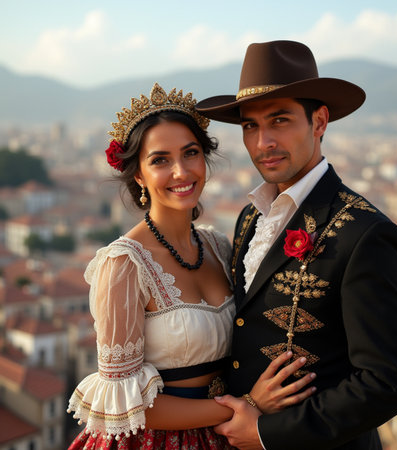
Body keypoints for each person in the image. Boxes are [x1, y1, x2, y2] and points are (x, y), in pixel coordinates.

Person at [66, 82, 317, 449]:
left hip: (228, 435)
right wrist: (246, 406)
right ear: (139, 174)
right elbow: (128, 407)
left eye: (190, 153)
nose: (181, 172)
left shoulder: (217, 246)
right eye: (160, 160)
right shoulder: (123, 265)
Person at [196, 40, 397, 449]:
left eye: (279, 120)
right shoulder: (251, 218)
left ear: (319, 122)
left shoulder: (365, 233)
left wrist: (266, 434)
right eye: (250, 126)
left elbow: (389, 382)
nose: (263, 142)